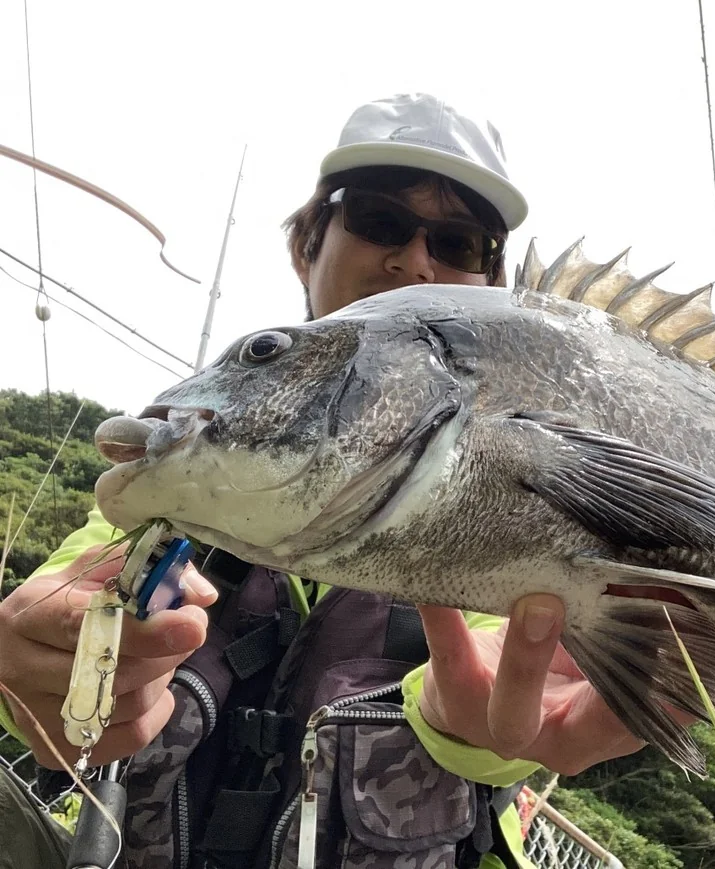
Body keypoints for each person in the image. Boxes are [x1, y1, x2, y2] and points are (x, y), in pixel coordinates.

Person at [0, 93, 647, 869]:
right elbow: (79, 599)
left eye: (460, 242)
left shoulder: (518, 491)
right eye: (377, 219)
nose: (414, 260)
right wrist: (34, 664)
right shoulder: (188, 488)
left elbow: (498, 677)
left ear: (492, 286)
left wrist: (473, 724)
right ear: (307, 245)